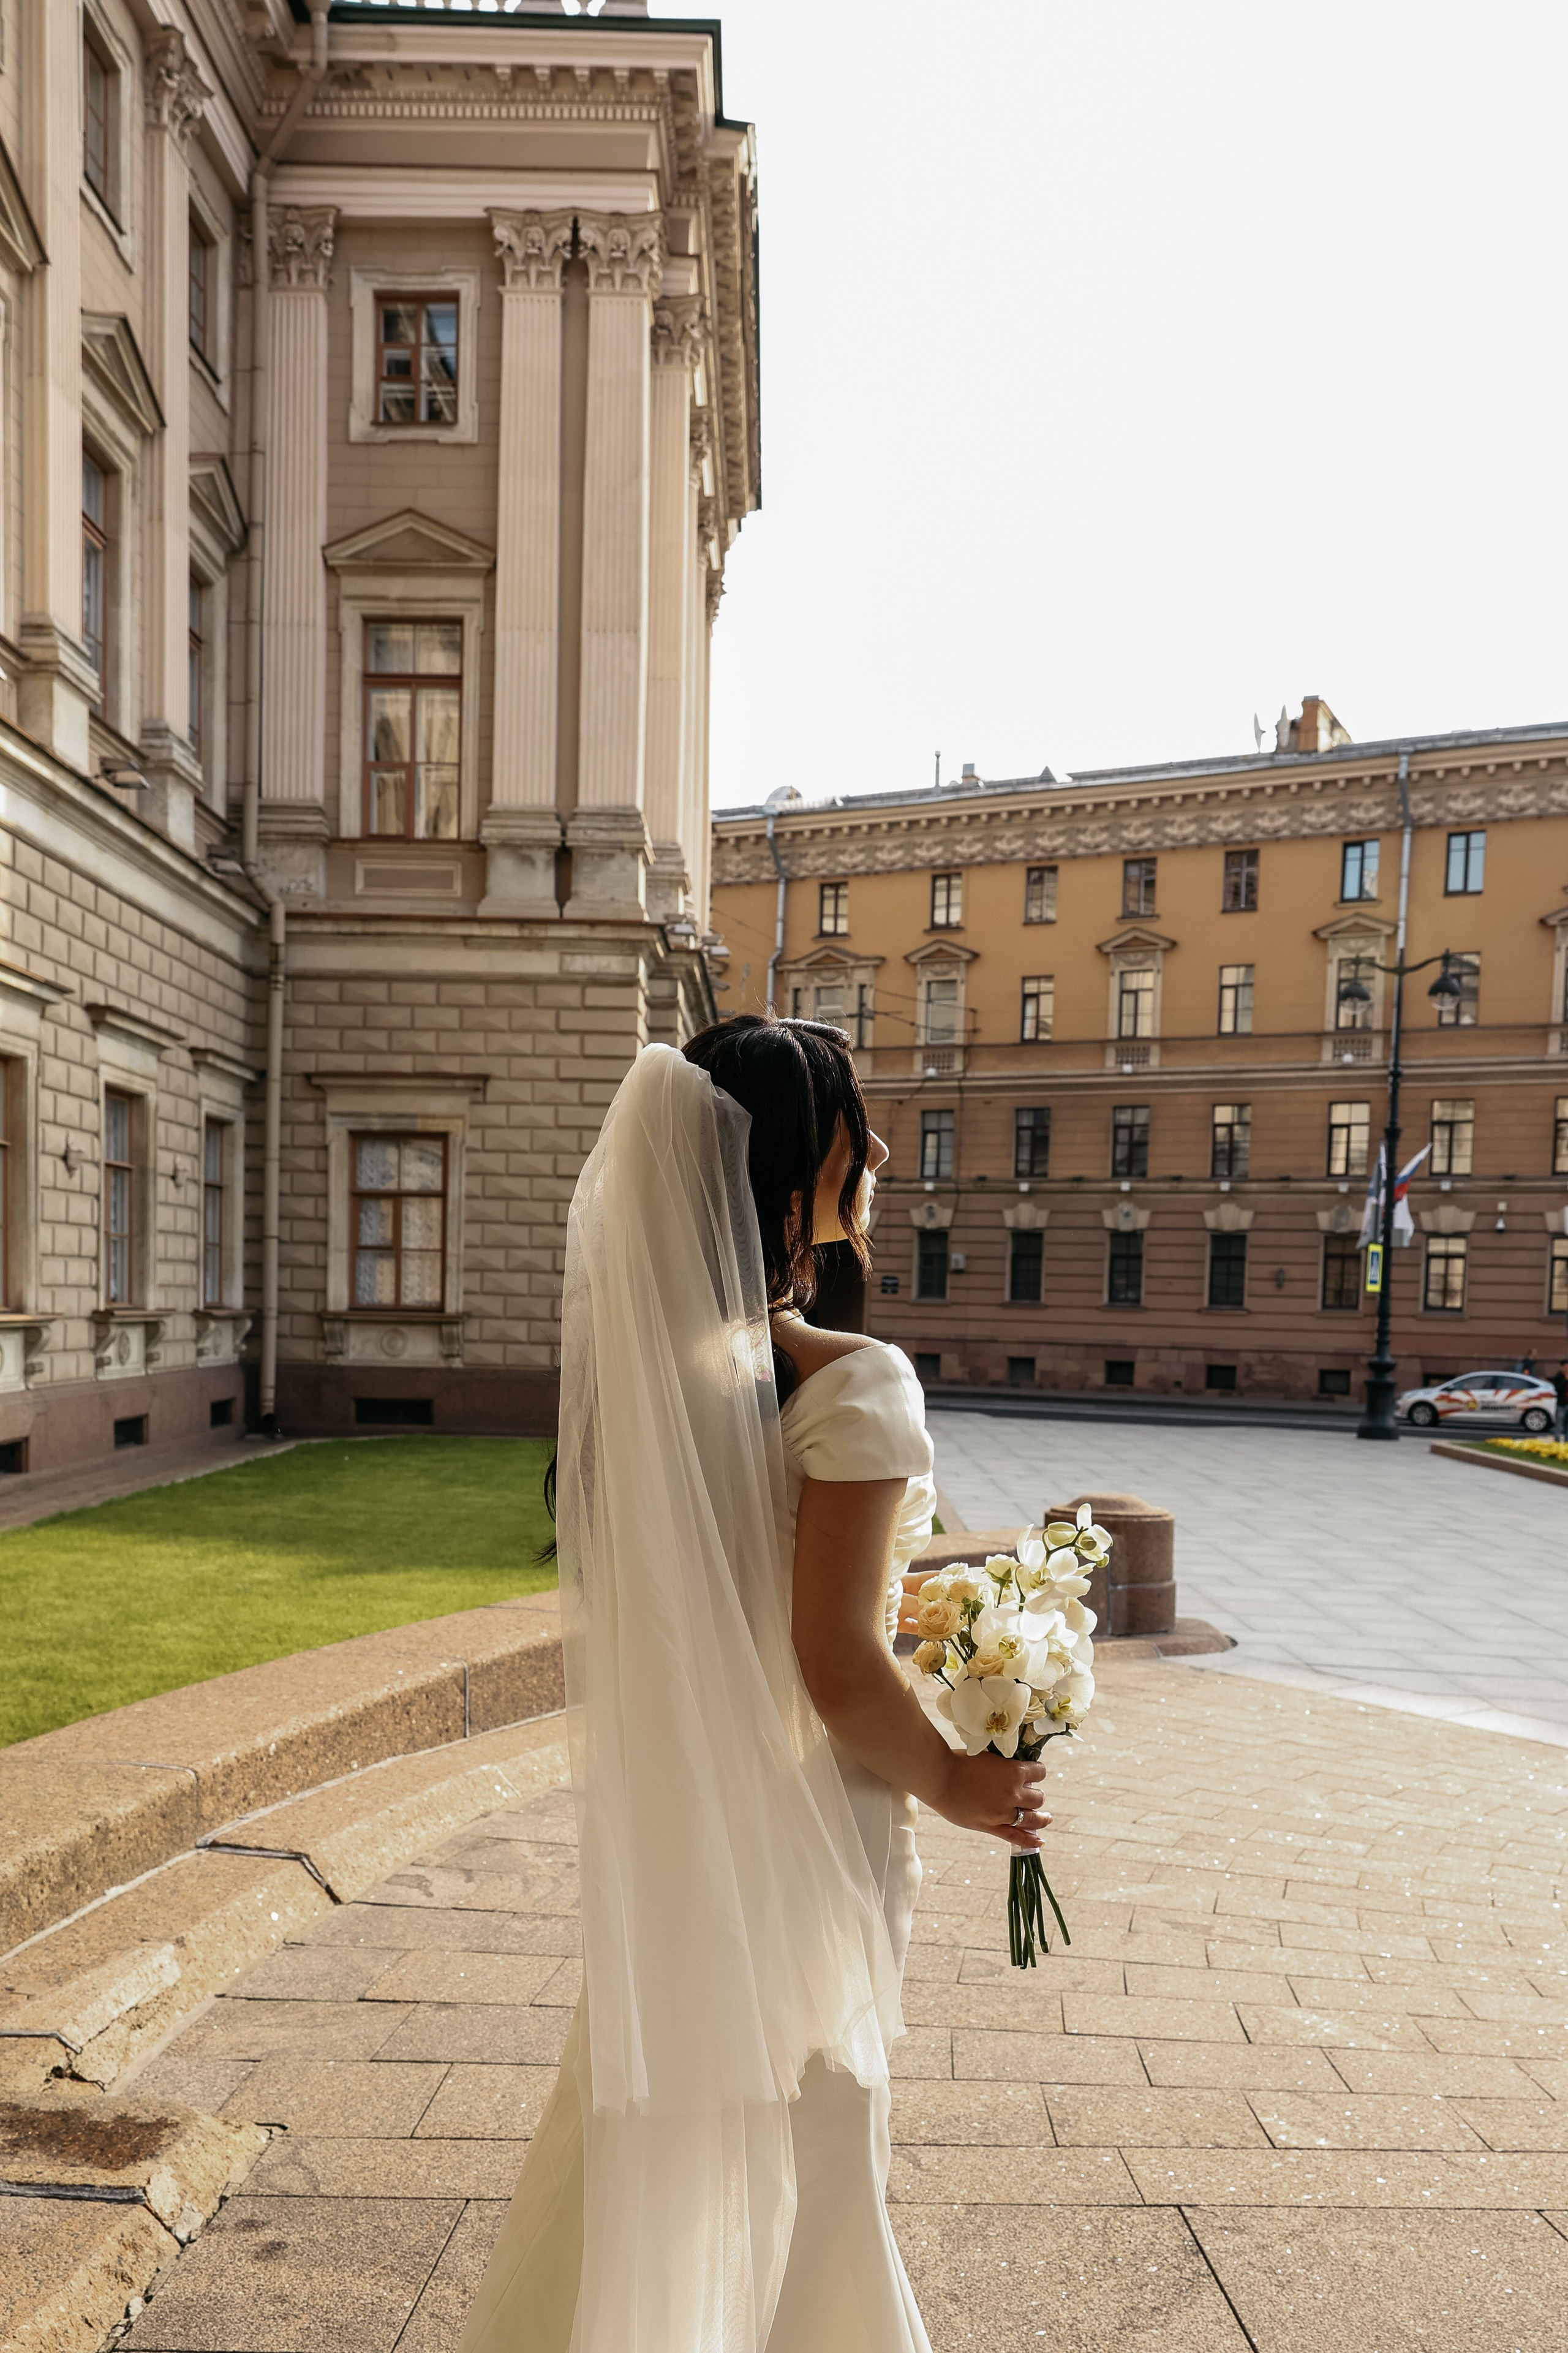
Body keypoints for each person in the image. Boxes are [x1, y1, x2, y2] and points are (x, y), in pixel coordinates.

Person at [456, 1018, 1050, 2352]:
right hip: (808, 1819)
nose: (883, 1148)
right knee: (820, 2139)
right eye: (854, 1124)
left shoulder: (657, 1392)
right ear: (788, 1180)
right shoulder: (856, 1380)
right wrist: (961, 1776)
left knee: (656, 2126)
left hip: (685, 1827)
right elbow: (833, 1667)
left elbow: (744, 1613)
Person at [1555, 1359, 1568, 1439]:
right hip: (1562, 1404)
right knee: (1559, 1425)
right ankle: (1557, 1441)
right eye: (1565, 1367)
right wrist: (1565, 1380)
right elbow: (1558, 1389)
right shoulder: (1559, 1377)